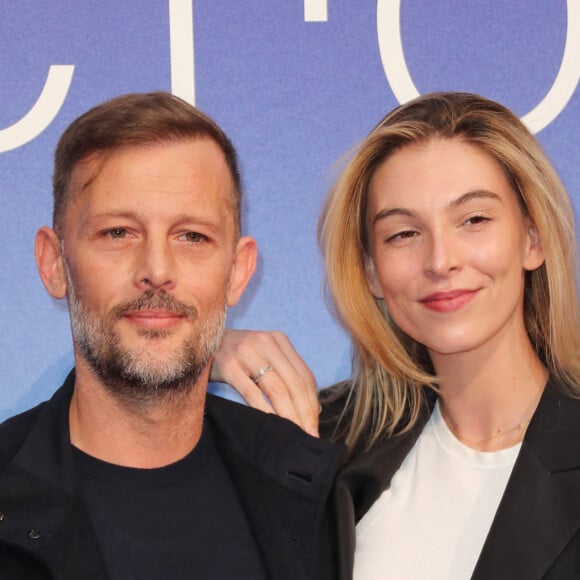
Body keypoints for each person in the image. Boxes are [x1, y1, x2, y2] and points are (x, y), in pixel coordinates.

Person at [212, 92, 580, 579]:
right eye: (403, 234)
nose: (440, 260)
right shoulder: (325, 443)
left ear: (531, 238)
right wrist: (196, 351)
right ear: (370, 270)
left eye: (473, 220)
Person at [0, 92, 342, 580]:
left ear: (237, 272)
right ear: (54, 263)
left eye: (192, 236)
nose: (157, 271)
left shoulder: (318, 495)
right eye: (119, 232)